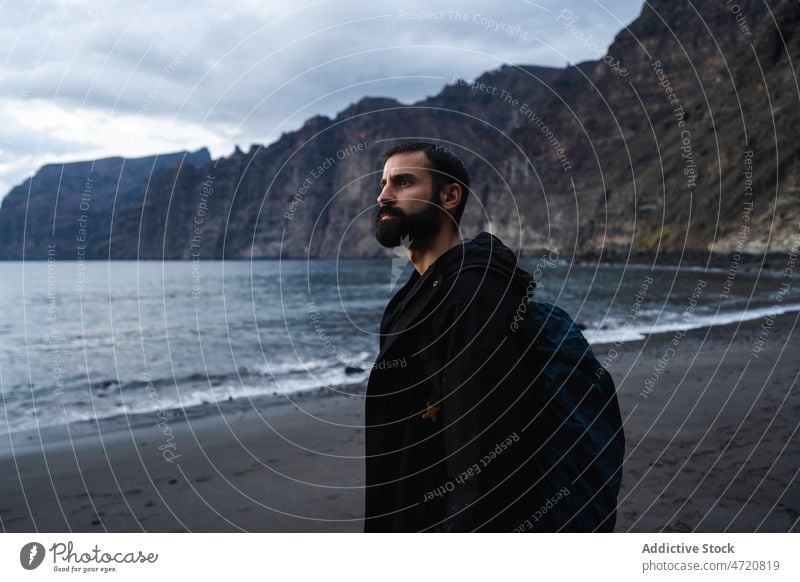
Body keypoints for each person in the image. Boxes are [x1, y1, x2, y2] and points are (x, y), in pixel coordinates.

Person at [364, 141, 625, 532]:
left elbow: (484, 444)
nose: (384, 195)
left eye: (403, 182)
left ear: (449, 196)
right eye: (384, 183)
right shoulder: (415, 293)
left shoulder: (473, 292)